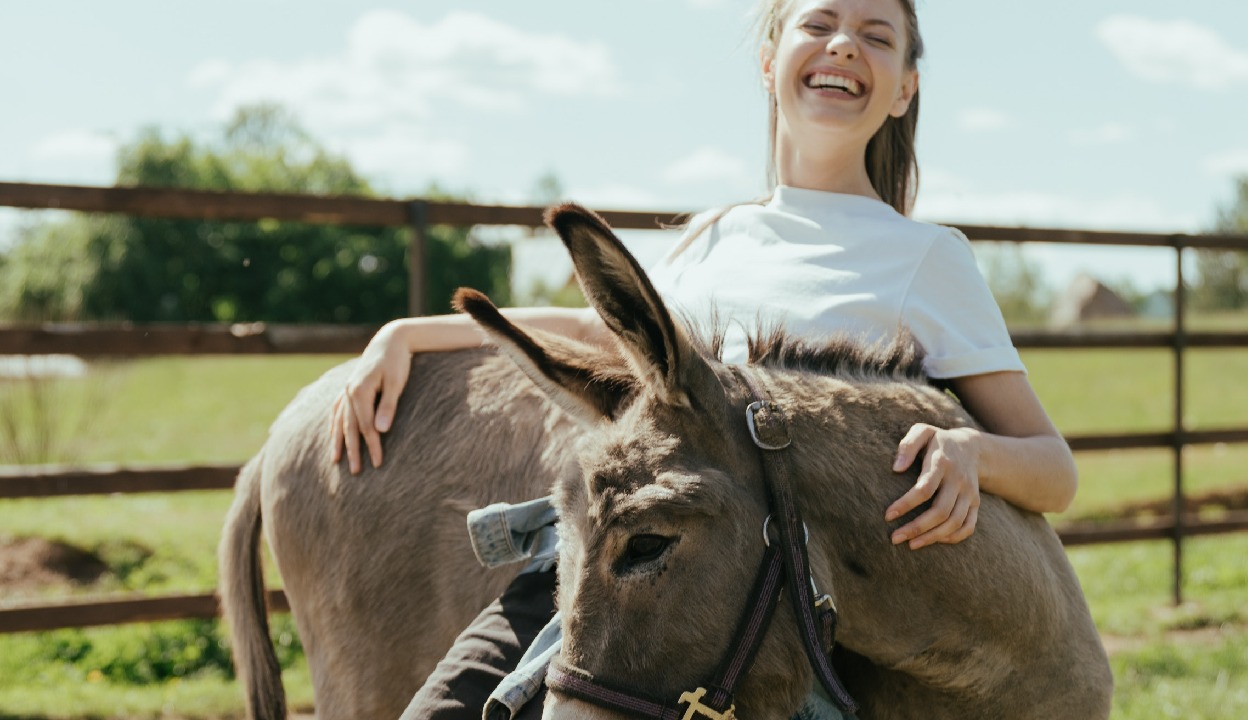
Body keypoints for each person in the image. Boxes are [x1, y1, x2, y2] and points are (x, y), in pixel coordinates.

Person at [330, 0, 1078, 717]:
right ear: (768, 61)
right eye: (817, 24)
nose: (844, 44)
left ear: (905, 88)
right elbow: (602, 333)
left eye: (876, 36)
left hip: (764, 603)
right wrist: (411, 333)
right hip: (625, 560)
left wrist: (971, 453)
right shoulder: (715, 235)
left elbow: (1053, 467)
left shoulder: (927, 259)